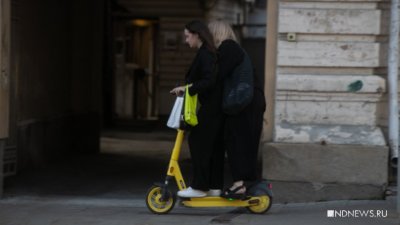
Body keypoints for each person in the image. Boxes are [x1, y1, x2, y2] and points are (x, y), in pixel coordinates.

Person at [208, 20, 266, 199]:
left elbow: (217, 76)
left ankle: (241, 185)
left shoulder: (228, 48)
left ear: (215, 34)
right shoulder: (233, 48)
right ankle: (245, 183)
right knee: (243, 142)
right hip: (249, 102)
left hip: (244, 104)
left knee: (237, 142)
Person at [170, 20, 225, 198]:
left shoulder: (205, 54)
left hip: (211, 107)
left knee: (197, 141)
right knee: (213, 146)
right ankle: (214, 187)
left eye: (187, 36)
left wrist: (187, 89)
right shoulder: (205, 52)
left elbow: (209, 81)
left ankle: (200, 187)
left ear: (197, 35)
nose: (186, 41)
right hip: (213, 107)